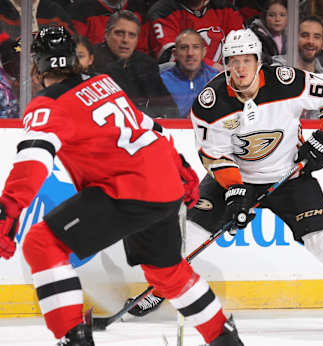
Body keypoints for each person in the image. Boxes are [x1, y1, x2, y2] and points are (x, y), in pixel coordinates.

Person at [126, 28, 323, 329]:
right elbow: (215, 156)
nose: (240, 69)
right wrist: (236, 192)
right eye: (233, 61)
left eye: (247, 60)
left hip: (289, 175)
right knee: (188, 236)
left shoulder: (286, 82)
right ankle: (159, 289)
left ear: (258, 61)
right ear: (224, 63)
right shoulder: (210, 103)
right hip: (237, 177)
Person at [0, 24, 244, 346]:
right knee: (167, 271)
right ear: (75, 59)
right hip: (164, 186)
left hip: (126, 191)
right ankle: (222, 337)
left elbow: (33, 161)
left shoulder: (47, 105)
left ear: (36, 68)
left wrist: (9, 209)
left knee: (41, 244)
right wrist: (180, 167)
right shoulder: (104, 83)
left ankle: (74, 339)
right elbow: (150, 128)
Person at [94, 10, 178, 117]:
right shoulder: (92, 62)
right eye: (119, 33)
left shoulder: (147, 64)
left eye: (132, 35)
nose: (125, 40)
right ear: (106, 35)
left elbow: (168, 107)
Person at [147, 0, 244, 67]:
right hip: (180, 85)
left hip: (222, 82)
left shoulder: (226, 8)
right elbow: (169, 55)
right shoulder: (163, 11)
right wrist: (211, 68)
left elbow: (242, 48)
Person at [160, 29, 219, 118]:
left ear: (204, 52)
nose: (190, 53)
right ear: (175, 53)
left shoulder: (217, 79)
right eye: (184, 47)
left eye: (195, 47)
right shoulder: (160, 82)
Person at [67, 0, 150, 54]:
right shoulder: (80, 9)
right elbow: (76, 50)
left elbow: (143, 50)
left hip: (133, 67)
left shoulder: (139, 7)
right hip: (96, 69)